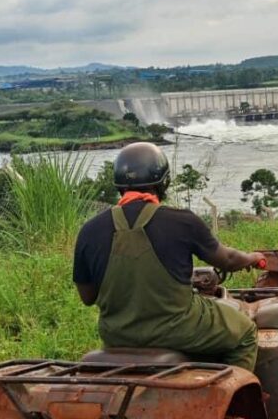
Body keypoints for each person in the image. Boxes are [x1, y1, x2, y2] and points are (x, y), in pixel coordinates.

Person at [73, 142, 263, 371]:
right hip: (178, 329)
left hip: (117, 336)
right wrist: (252, 258)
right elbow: (228, 260)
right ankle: (237, 398)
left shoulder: (90, 230)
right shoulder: (182, 221)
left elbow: (87, 297)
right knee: (246, 333)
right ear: (164, 182)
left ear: (118, 184)